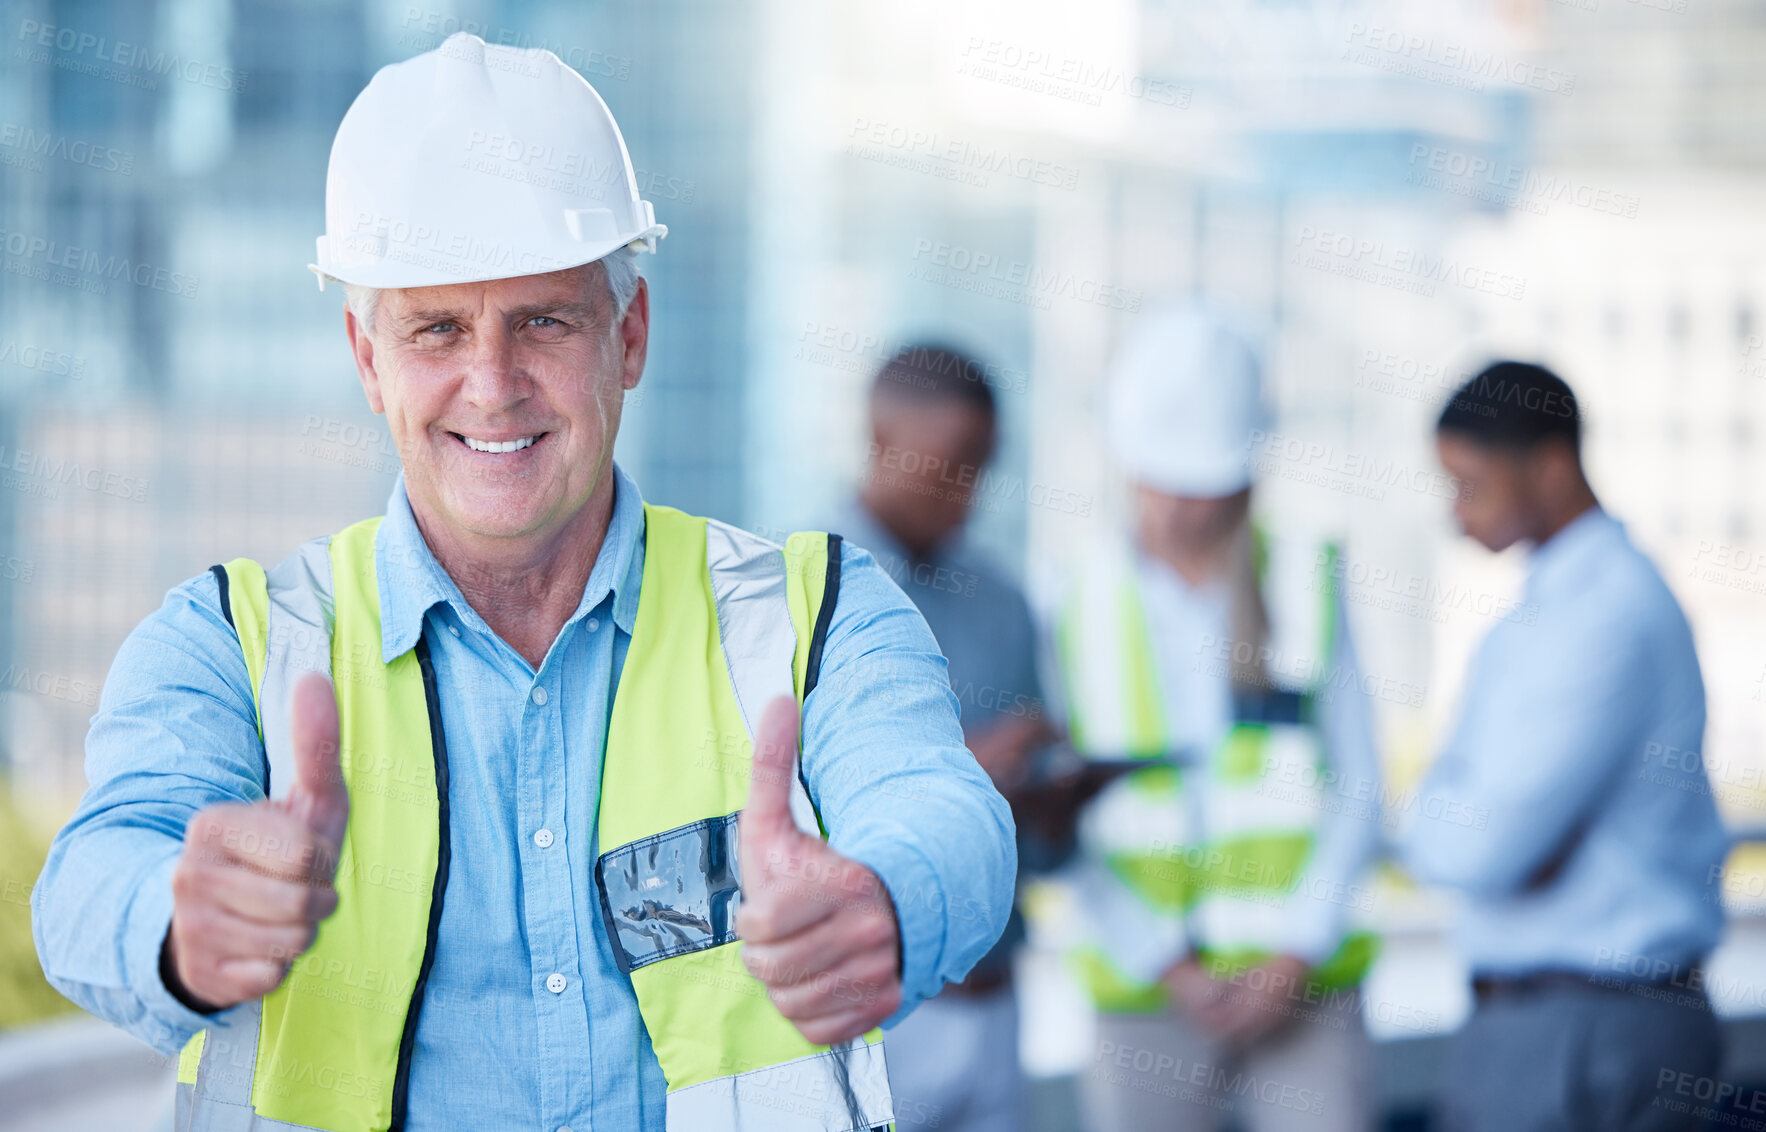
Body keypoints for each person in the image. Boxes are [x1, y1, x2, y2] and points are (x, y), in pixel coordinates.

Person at [30, 34, 1014, 1132]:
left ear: (628, 336)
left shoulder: (812, 614)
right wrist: (177, 920)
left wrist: (883, 901)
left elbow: (944, 811)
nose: (491, 386)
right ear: (368, 361)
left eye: (543, 320)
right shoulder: (233, 642)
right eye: (436, 329)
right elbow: (88, 880)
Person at [1052, 302, 1382, 1132]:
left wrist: (1296, 949)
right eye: (1162, 480)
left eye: (1201, 487)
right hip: (1146, 994)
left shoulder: (1309, 578)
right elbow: (1059, 817)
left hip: (1306, 989)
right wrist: (1165, 961)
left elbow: (1359, 783)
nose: (1181, 509)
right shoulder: (1071, 602)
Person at [1400, 361, 1728, 1132]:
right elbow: (1485, 834)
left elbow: (1483, 851)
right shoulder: (1572, 604)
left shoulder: (1601, 615)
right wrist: (1466, 813)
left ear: (1550, 464)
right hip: (1574, 1023)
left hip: (1577, 1034)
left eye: (1470, 484)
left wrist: (1452, 808)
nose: (1455, 515)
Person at [831, 343, 1049, 1132]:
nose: (970, 492)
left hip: (998, 1001)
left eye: (983, 466)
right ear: (882, 437)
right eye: (951, 464)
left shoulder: (1006, 602)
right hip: (874, 1016)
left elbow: (1048, 855)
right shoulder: (786, 588)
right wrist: (965, 774)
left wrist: (1054, 800)